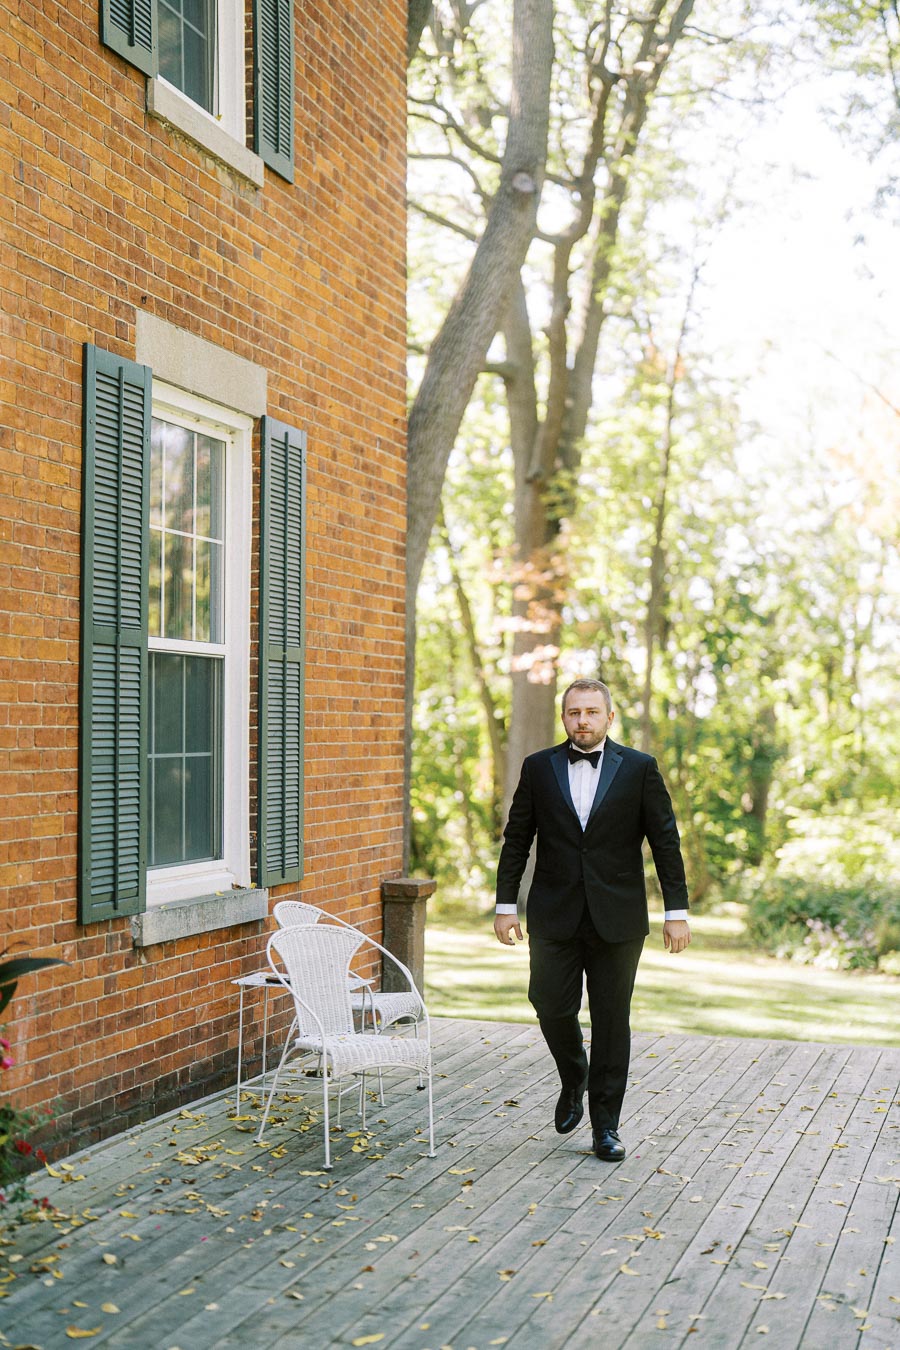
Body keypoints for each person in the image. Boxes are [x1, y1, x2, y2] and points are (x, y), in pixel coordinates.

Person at [494, 678, 691, 1162]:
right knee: (549, 1003)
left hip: (618, 918)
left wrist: (676, 911)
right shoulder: (539, 767)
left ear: (609, 717)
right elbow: (517, 839)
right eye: (574, 712)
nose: (582, 720)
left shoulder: (640, 769)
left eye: (591, 712)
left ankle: (606, 1127)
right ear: (564, 718)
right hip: (553, 914)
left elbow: (664, 841)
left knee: (611, 1021)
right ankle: (573, 1074)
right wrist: (504, 905)